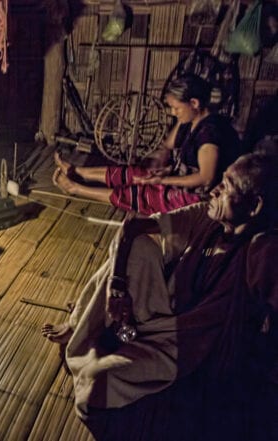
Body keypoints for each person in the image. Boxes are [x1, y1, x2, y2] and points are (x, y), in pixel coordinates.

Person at [42, 152, 278, 438]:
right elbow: (132, 226)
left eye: (227, 186)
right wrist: (117, 286)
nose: (215, 189)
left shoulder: (260, 250)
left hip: (182, 346)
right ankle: (82, 323)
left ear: (255, 206)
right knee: (138, 249)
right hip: (164, 312)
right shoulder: (206, 219)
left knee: (95, 383)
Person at [52, 74, 242, 215]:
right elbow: (168, 146)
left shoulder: (210, 134)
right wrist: (163, 171)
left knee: (142, 193)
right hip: (179, 180)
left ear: (194, 103)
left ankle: (75, 188)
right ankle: (77, 172)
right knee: (135, 174)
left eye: (176, 108)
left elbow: (206, 179)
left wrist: (162, 181)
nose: (173, 112)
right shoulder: (190, 121)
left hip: (198, 199)